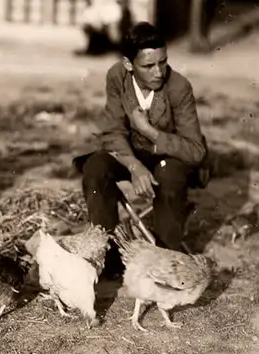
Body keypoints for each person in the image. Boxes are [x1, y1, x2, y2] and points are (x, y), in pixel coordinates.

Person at [74, 22, 208, 251]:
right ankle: (108, 252)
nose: (158, 72)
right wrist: (135, 167)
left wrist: (149, 131)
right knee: (95, 167)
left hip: (168, 157)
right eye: (148, 66)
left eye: (163, 62)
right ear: (128, 64)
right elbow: (113, 130)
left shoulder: (179, 87)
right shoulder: (117, 76)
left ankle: (166, 254)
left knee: (169, 175)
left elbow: (195, 151)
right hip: (131, 154)